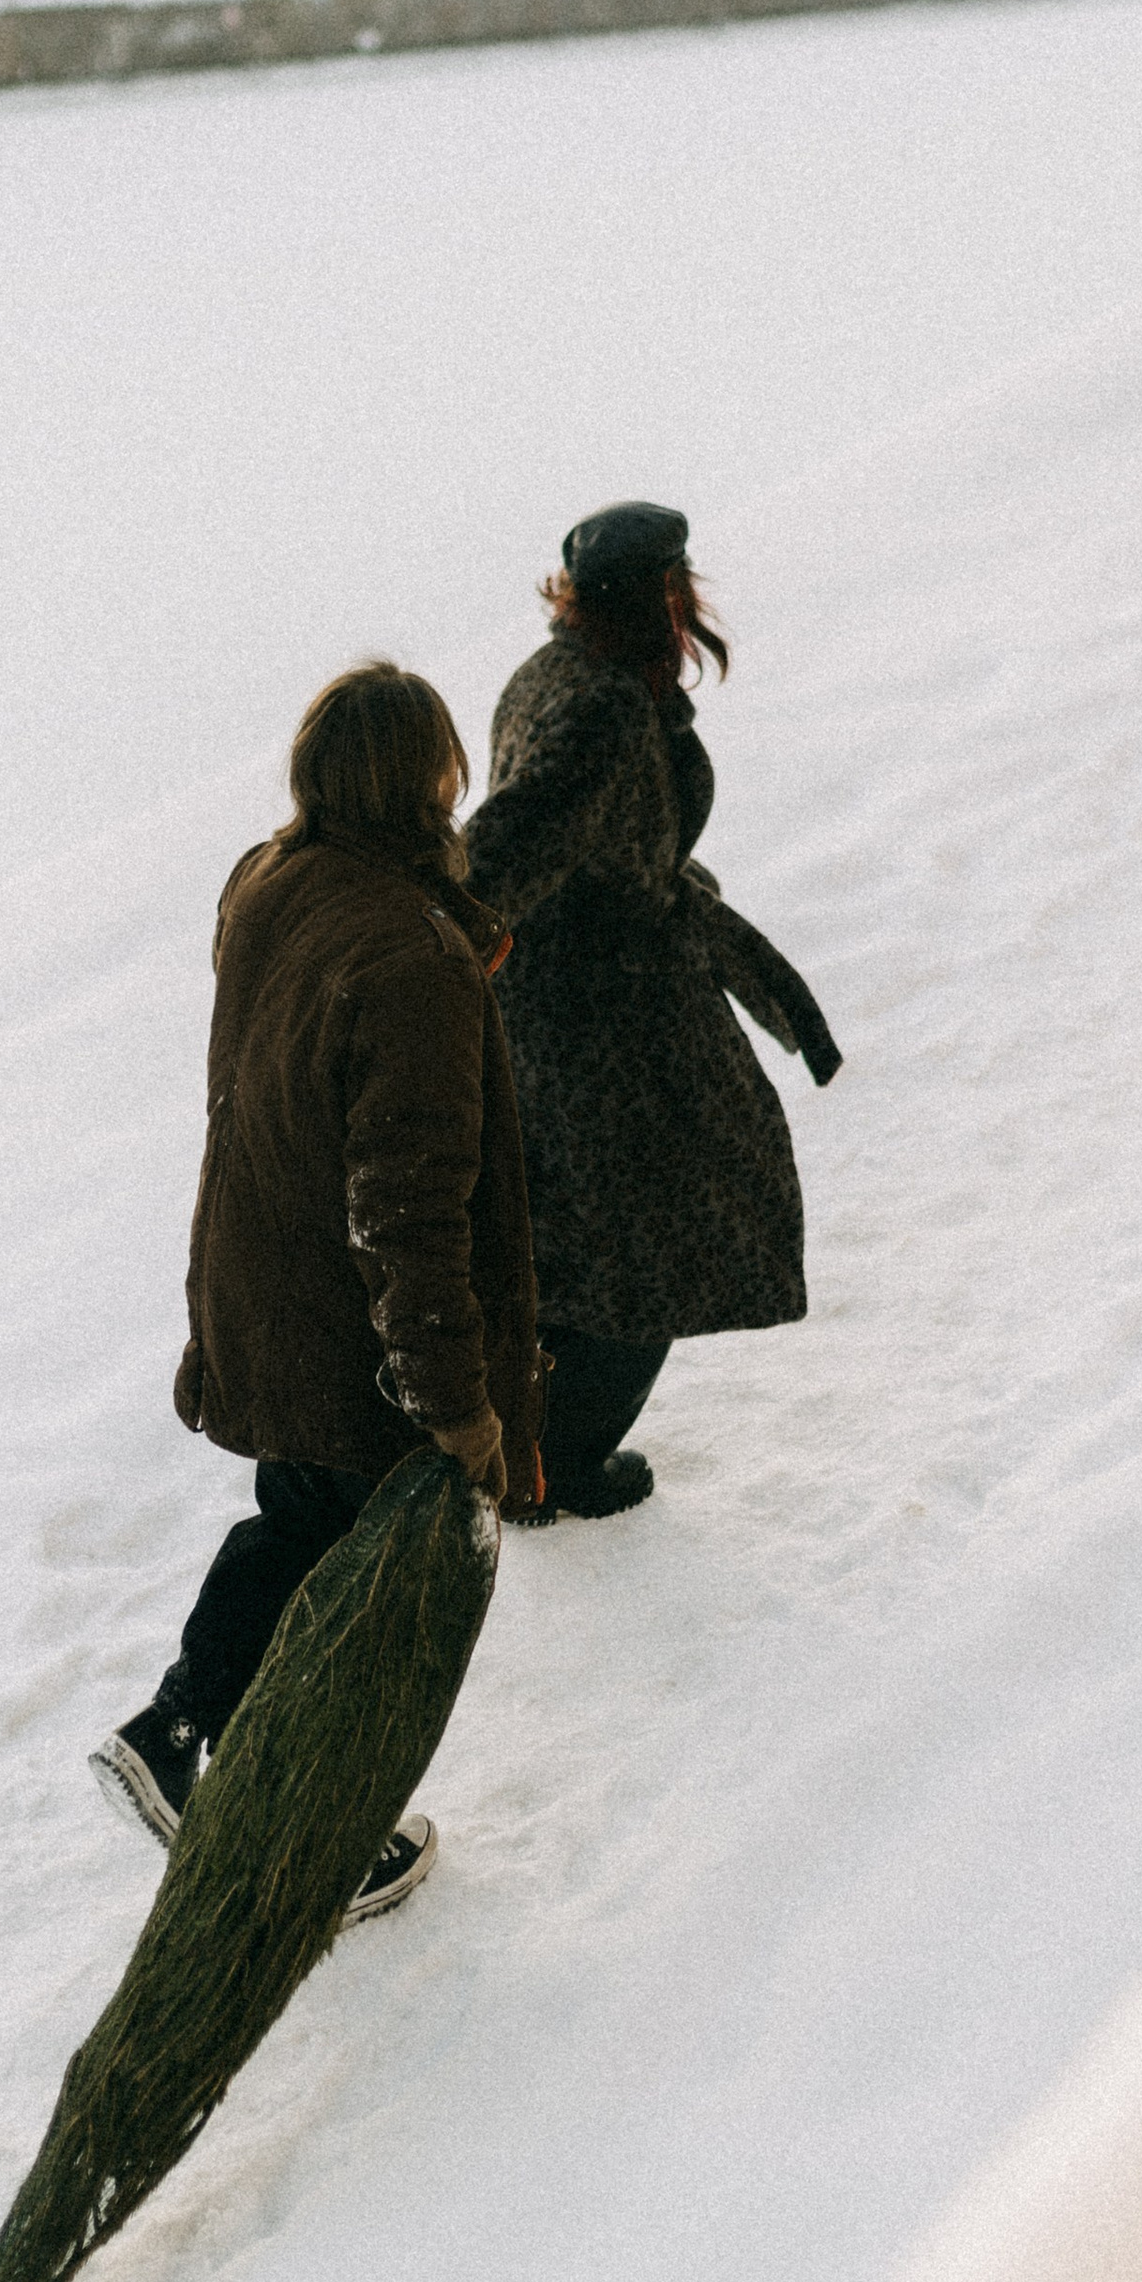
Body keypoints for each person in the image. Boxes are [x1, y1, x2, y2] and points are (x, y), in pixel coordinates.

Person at [96, 661, 541, 1921]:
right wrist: (456, 1402)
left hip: (261, 1282)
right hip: (342, 1325)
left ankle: (181, 1730)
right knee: (351, 1585)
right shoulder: (409, 961)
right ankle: (291, 1821)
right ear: (432, 781)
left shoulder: (272, 881)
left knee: (295, 1524)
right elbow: (406, 1208)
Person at [464, 502, 841, 1521]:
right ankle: (551, 1469)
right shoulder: (597, 710)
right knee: (650, 1256)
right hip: (603, 1029)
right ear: (666, 595)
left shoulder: (559, 674)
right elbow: (495, 857)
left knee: (584, 1247)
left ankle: (526, 1452)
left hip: (575, 1013)